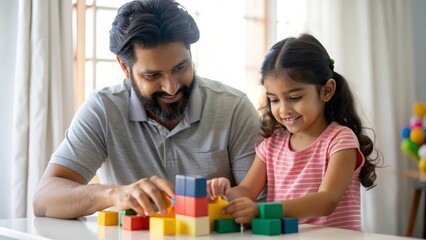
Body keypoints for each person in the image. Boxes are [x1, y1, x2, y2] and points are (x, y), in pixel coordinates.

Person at [33, 0, 260, 219]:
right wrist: (113, 194)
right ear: (124, 67)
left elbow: (261, 201)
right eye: (152, 75)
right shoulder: (103, 108)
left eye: (181, 67)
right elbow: (45, 199)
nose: (171, 88)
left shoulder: (233, 107)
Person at [207, 34, 381, 231]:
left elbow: (326, 201)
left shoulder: (340, 140)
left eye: (295, 97)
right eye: (274, 100)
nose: (283, 110)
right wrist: (225, 194)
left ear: (326, 91)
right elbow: (247, 190)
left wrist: (261, 209)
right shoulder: (272, 144)